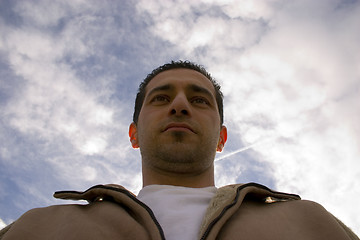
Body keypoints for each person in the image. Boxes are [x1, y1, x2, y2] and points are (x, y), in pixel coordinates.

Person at [0, 60, 358, 240]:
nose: (180, 105)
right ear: (134, 133)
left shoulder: (311, 223)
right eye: (162, 97)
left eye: (199, 99)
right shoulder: (38, 227)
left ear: (222, 138)